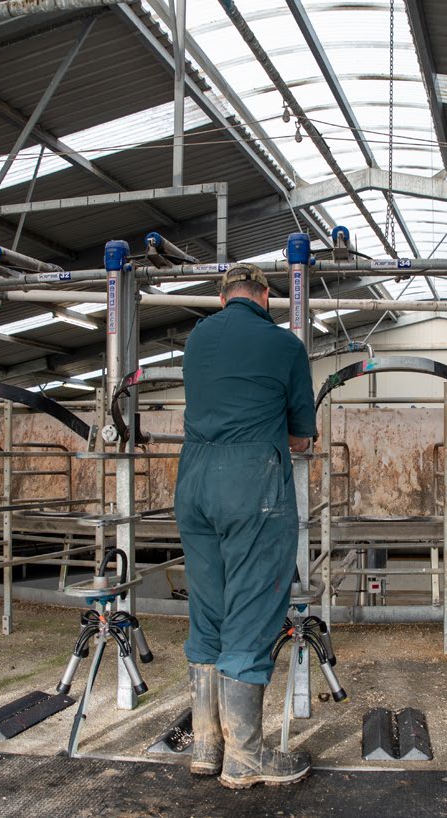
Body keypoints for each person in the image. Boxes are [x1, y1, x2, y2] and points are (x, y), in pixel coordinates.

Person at [175, 263, 316, 789]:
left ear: (221, 297)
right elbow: (301, 436)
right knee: (252, 609)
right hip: (250, 486)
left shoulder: (196, 339)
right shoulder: (285, 346)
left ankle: (207, 746)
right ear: (266, 295)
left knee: (208, 608)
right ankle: (247, 757)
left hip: (193, 484)